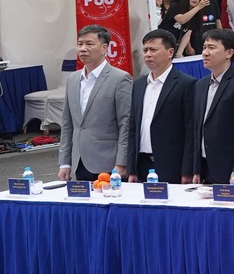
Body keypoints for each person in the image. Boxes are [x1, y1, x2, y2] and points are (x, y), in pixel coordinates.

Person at [56, 25, 132, 183]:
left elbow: (126, 123)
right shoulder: (73, 79)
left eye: (89, 44)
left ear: (104, 48)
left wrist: (122, 161)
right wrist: (65, 162)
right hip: (79, 162)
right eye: (80, 44)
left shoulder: (120, 79)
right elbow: (67, 123)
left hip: (108, 162)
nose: (83, 49)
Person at [126, 28, 196, 184]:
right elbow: (133, 127)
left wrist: (188, 170)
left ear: (170, 52)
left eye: (153, 50)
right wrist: (131, 168)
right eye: (145, 50)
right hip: (142, 163)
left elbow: (191, 130)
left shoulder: (186, 84)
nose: (148, 54)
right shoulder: (139, 84)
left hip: (172, 165)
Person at [191, 27, 234, 184]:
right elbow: (198, 129)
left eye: (212, 48)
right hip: (206, 167)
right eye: (204, 47)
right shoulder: (200, 85)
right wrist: (196, 168)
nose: (205, 53)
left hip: (232, 169)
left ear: (229, 53)